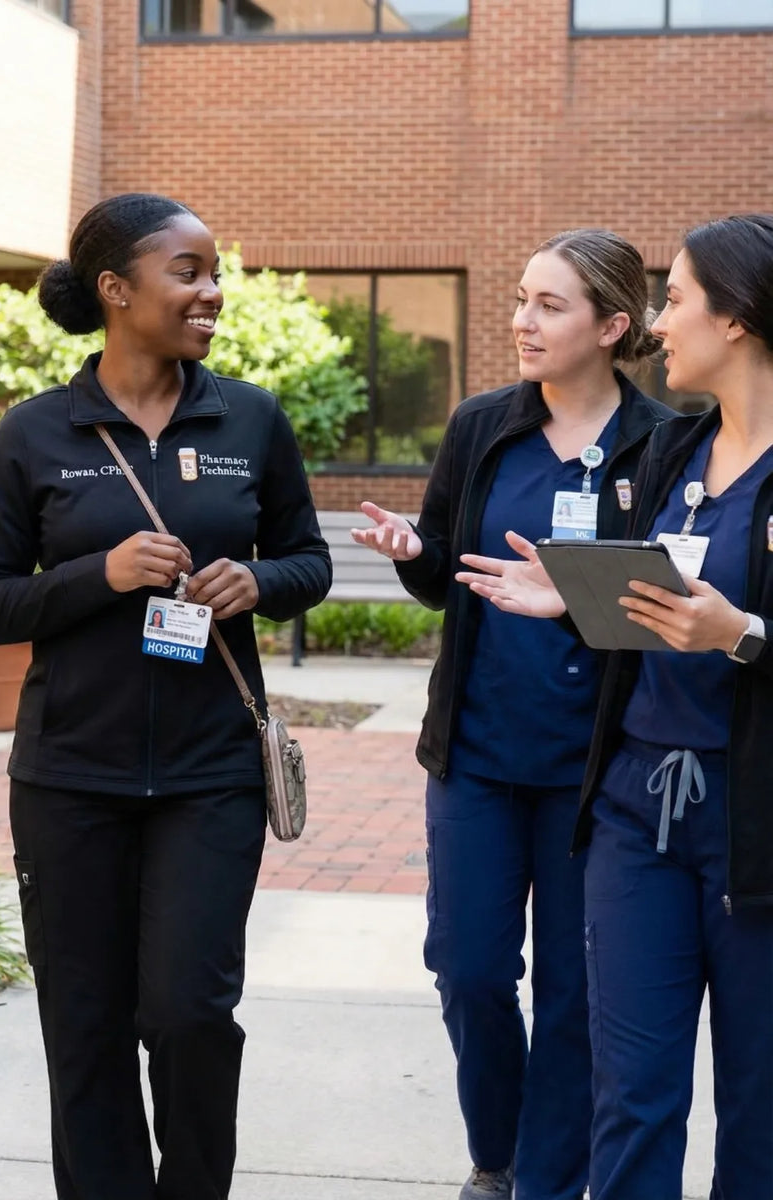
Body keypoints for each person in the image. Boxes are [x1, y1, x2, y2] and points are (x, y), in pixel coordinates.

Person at [0, 192, 331, 1200]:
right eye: (189, 272)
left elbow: (308, 558)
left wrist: (258, 582)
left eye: (216, 274)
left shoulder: (247, 417)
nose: (211, 292)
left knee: (188, 1012)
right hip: (71, 777)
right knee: (83, 1030)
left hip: (213, 773)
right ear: (116, 290)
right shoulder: (36, 434)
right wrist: (104, 576)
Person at [455, 214, 773, 1200]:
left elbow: (730, 625)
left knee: (759, 1106)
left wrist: (745, 635)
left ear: (741, 319)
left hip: (754, 823)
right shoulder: (670, 454)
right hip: (636, 806)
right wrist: (574, 597)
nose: (659, 323)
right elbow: (645, 597)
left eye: (676, 300)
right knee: (630, 1093)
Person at [351, 229, 672, 1200]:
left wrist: (578, 595)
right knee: (470, 968)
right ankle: (497, 1153)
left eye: (549, 305)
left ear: (613, 326)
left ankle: (544, 1179)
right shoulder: (482, 424)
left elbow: (668, 605)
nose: (521, 321)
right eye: (521, 298)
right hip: (479, 758)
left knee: (576, 997)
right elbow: (445, 564)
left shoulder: (663, 446)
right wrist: (414, 548)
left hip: (594, 772)